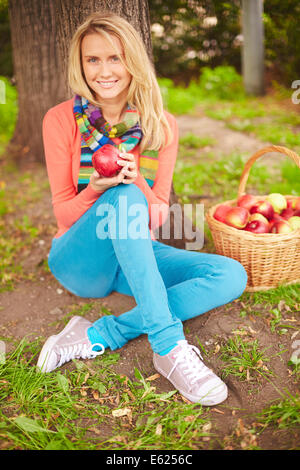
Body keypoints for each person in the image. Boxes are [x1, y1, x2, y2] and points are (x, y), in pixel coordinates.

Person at [37, 12, 248, 406]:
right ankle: (168, 347)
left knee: (229, 275)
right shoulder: (61, 120)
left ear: (132, 60)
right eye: (92, 60)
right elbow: (64, 216)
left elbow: (159, 216)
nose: (104, 70)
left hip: (134, 253)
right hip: (81, 261)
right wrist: (99, 188)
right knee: (121, 197)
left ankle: (99, 334)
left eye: (114, 58)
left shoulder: (159, 125)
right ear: (81, 65)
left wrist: (134, 179)